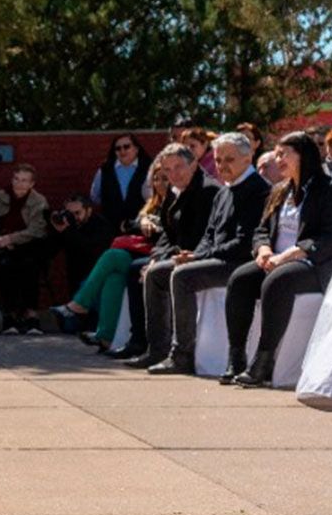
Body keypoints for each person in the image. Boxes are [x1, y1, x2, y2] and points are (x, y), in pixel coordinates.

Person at [222, 131, 332, 388]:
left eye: (284, 154)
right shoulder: (280, 191)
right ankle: (236, 357)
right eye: (277, 154)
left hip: (313, 264)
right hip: (275, 260)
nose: (278, 159)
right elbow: (261, 230)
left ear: (302, 156)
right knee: (239, 280)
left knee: (278, 281)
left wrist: (292, 254)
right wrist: (263, 251)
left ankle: (264, 361)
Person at [142, 132, 272, 375]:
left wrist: (200, 257)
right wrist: (195, 254)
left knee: (182, 277)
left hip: (240, 263)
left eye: (229, 160)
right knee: (157, 273)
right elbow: (209, 234)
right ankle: (157, 349)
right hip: (217, 257)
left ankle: (182, 355)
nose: (222, 166)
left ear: (248, 159)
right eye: (218, 160)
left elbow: (244, 243)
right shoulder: (225, 190)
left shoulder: (258, 190)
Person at [117, 143, 219, 364]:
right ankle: (145, 344)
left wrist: (164, 259)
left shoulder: (207, 191)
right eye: (167, 170)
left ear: (193, 164)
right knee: (139, 268)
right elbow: (167, 233)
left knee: (156, 274)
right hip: (176, 252)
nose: (173, 174)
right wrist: (156, 256)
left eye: (179, 167)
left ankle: (171, 352)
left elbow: (197, 236)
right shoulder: (175, 191)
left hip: (199, 254)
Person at [51, 164, 169, 347]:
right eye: (156, 178)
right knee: (113, 277)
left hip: (162, 253)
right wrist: (143, 222)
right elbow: (129, 225)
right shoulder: (151, 205)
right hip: (140, 253)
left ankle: (78, 306)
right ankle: (105, 336)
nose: (160, 183)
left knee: (113, 256)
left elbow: (173, 232)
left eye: (164, 178)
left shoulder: (177, 203)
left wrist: (153, 227)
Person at [0, 163, 52, 334]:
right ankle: (9, 315)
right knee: (6, 266)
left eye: (24, 180)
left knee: (30, 265)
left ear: (32, 184)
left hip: (29, 244)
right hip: (0, 246)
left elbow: (37, 229)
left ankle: (31, 315)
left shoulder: (39, 201)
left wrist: (11, 239)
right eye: (16, 179)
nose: (19, 184)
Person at [49, 194, 112, 293]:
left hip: (95, 273)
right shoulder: (67, 225)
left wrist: (70, 230)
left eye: (77, 213)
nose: (73, 217)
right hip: (74, 274)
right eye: (69, 213)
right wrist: (57, 231)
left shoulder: (101, 225)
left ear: (89, 211)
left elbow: (90, 250)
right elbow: (51, 251)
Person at [90, 134, 152, 232]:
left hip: (140, 226)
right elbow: (95, 196)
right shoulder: (105, 169)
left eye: (126, 147)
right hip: (110, 227)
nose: (122, 151)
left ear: (136, 149)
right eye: (118, 148)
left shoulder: (149, 168)